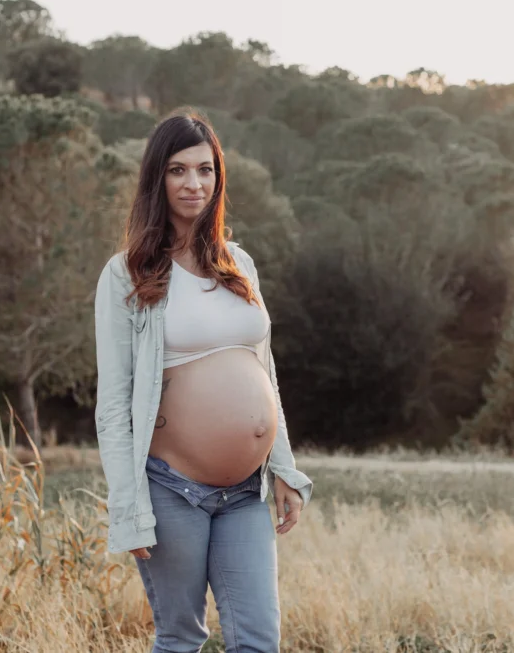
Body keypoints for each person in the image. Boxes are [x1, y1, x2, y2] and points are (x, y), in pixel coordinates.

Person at [93, 108, 313, 653]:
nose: (193, 183)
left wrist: (283, 467)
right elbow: (114, 402)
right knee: (181, 637)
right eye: (177, 170)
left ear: (218, 178)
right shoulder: (128, 273)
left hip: (245, 492)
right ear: (156, 179)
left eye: (205, 169)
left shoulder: (239, 264)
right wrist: (129, 510)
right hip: (171, 490)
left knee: (259, 640)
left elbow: (266, 374)